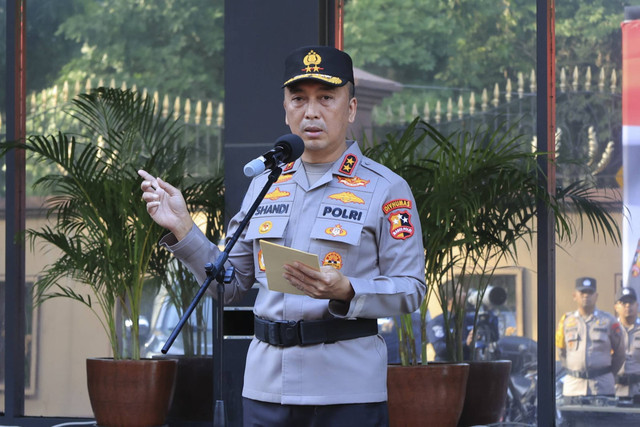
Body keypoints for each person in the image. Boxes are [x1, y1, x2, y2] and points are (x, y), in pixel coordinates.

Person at [138, 45, 426, 426]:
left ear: (351, 108)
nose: (311, 111)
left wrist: (347, 290)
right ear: (286, 110)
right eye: (298, 99)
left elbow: (411, 288)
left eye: (326, 98)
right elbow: (230, 285)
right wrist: (184, 229)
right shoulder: (266, 183)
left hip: (346, 389)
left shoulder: (386, 188)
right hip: (267, 388)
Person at [555, 277, 625, 400]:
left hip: (602, 386)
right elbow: (561, 351)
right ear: (574, 296)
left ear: (596, 296)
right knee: (572, 420)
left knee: (602, 419)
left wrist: (606, 374)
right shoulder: (566, 321)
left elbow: (620, 353)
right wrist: (574, 370)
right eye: (582, 292)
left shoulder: (609, 321)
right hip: (573, 387)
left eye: (590, 292)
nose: (586, 296)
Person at [614, 286, 640, 398]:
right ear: (616, 307)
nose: (628, 305)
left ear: (637, 306)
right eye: (623, 302)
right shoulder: (608, 330)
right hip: (613, 390)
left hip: (637, 391)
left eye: (631, 302)